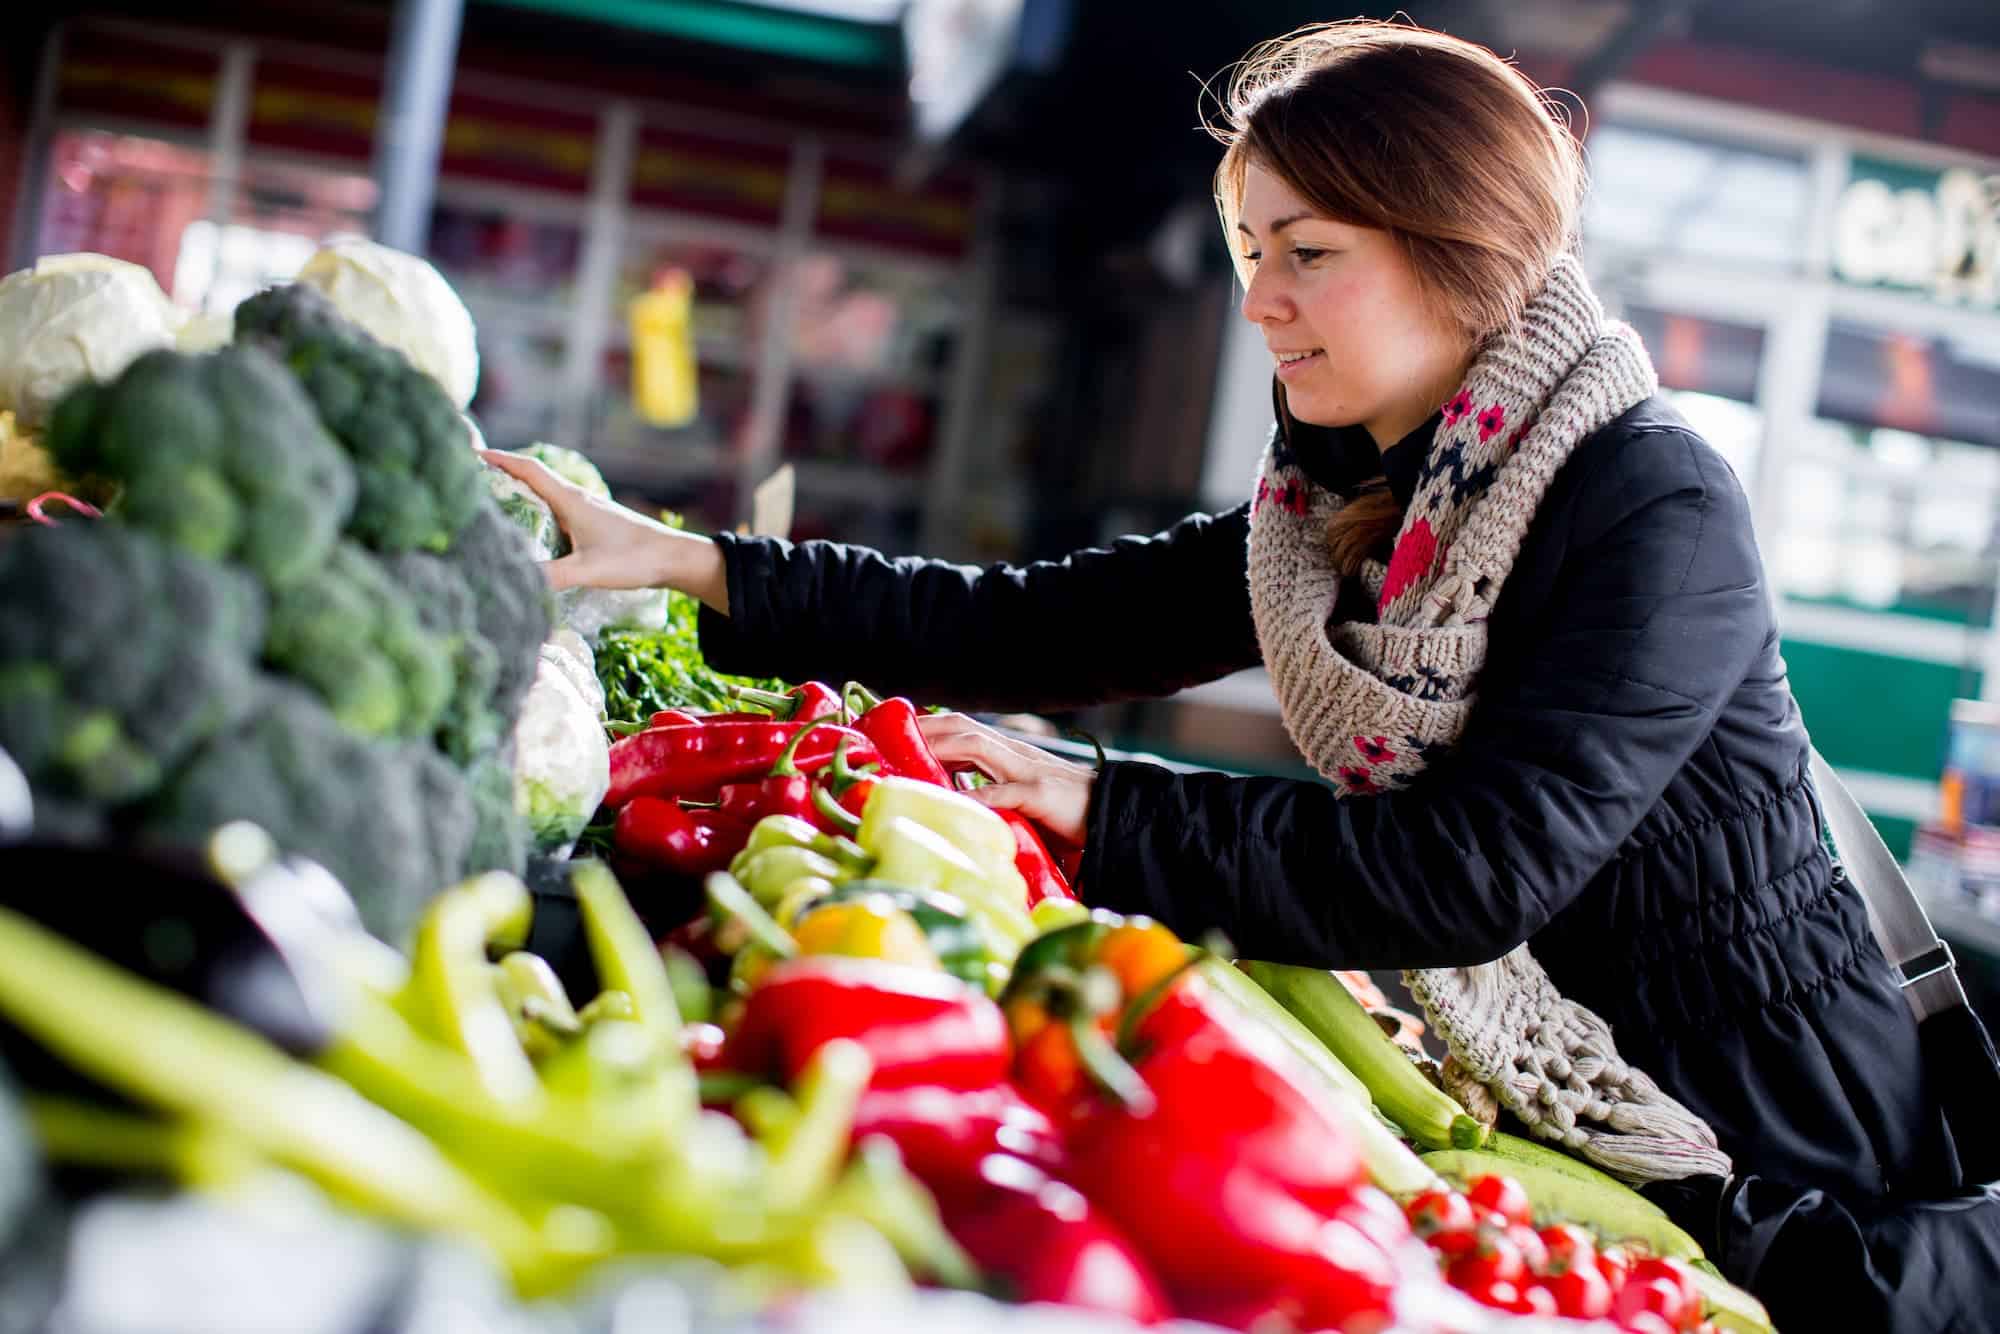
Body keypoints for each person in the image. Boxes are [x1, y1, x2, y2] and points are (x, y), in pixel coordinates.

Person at [487, 20, 2000, 1330]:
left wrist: (1098, 803)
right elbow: (1039, 629)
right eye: (1251, 252)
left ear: (1458, 244)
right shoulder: (1347, 508)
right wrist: (699, 566)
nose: (1260, 298)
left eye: (1310, 254)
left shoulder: (1650, 502)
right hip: (1546, 1106)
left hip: (1769, 1131)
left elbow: (1473, 872)